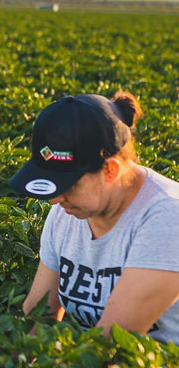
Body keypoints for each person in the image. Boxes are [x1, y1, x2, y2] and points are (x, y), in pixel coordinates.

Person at [9, 91, 179, 343]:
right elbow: (38, 316)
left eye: (69, 185)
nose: (55, 199)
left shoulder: (167, 218)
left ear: (110, 171)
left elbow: (109, 343)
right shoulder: (66, 213)